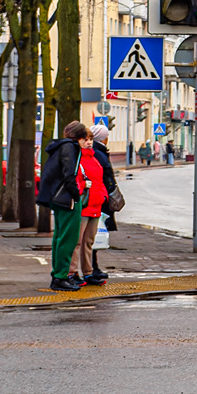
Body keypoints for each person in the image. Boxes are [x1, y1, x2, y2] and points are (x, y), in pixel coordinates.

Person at [36, 121, 90, 292]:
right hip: (67, 199)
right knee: (68, 239)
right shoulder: (72, 148)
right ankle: (60, 277)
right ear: (80, 138)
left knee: (59, 237)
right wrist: (77, 195)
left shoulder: (58, 146)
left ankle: (58, 275)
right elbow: (69, 174)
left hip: (55, 197)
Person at [72, 126, 110, 286]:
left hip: (95, 205)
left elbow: (99, 181)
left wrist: (103, 196)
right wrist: (82, 187)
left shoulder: (94, 158)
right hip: (84, 205)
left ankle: (88, 272)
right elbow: (73, 180)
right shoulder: (77, 159)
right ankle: (72, 272)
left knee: (88, 241)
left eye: (90, 140)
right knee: (77, 241)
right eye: (85, 140)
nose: (88, 143)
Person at [85, 124, 120, 286]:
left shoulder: (97, 152)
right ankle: (91, 269)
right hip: (98, 200)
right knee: (93, 236)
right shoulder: (98, 153)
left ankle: (92, 268)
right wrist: (110, 193)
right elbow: (104, 177)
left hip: (99, 198)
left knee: (93, 235)